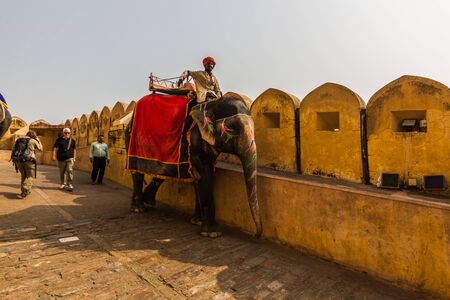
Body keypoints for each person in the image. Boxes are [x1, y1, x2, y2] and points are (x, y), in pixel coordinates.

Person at [10, 130, 42, 198]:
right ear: (33, 136)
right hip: (29, 161)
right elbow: (40, 149)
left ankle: (23, 193)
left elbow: (13, 149)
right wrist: (38, 140)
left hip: (18, 161)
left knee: (23, 176)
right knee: (30, 176)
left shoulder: (18, 140)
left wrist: (11, 158)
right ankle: (26, 187)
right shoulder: (33, 140)